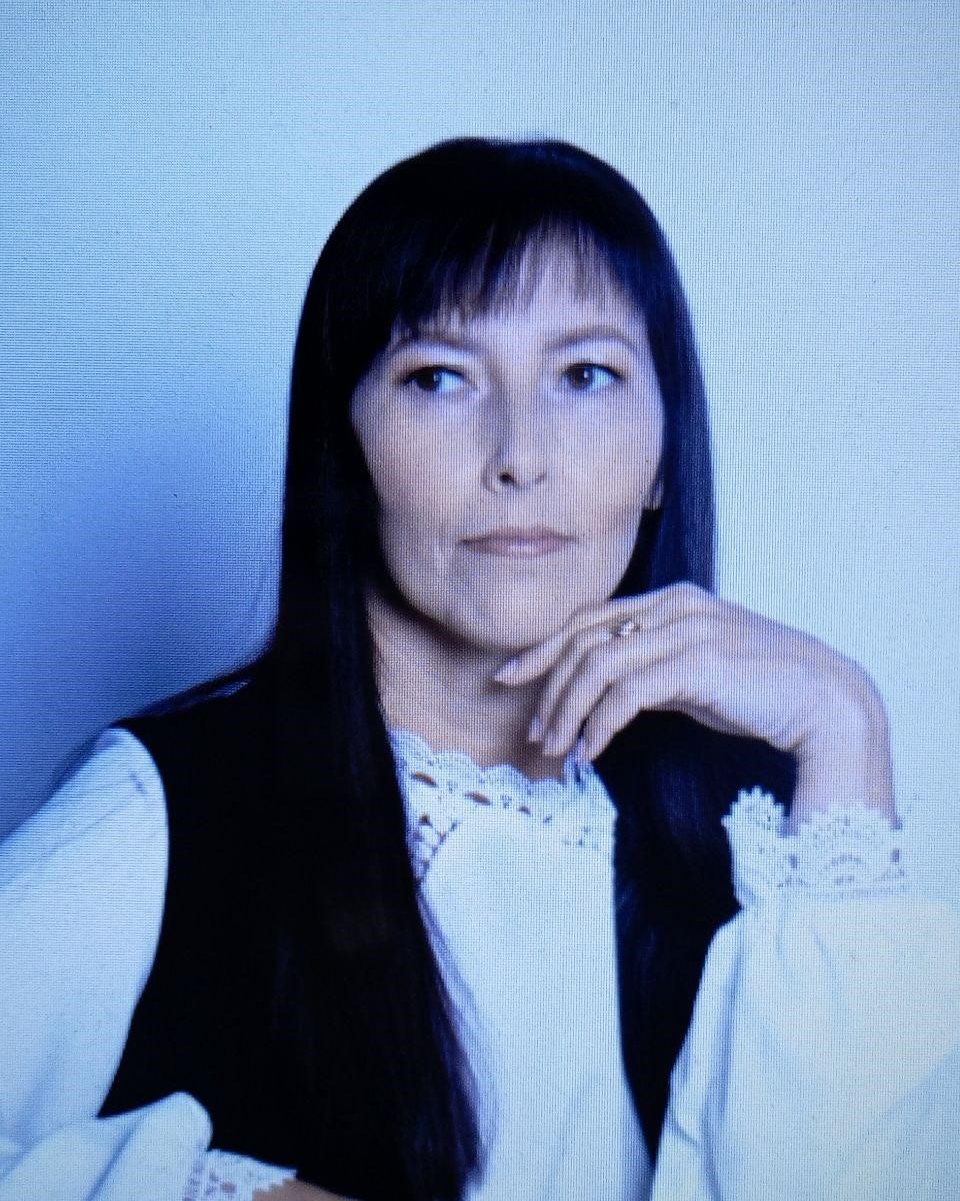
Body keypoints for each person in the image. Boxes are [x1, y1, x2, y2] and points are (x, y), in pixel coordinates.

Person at [2, 136, 959, 1201]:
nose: (520, 456)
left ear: (661, 455)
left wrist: (844, 727)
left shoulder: (762, 847)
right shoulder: (170, 806)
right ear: (343, 451)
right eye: (439, 378)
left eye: (585, 376)